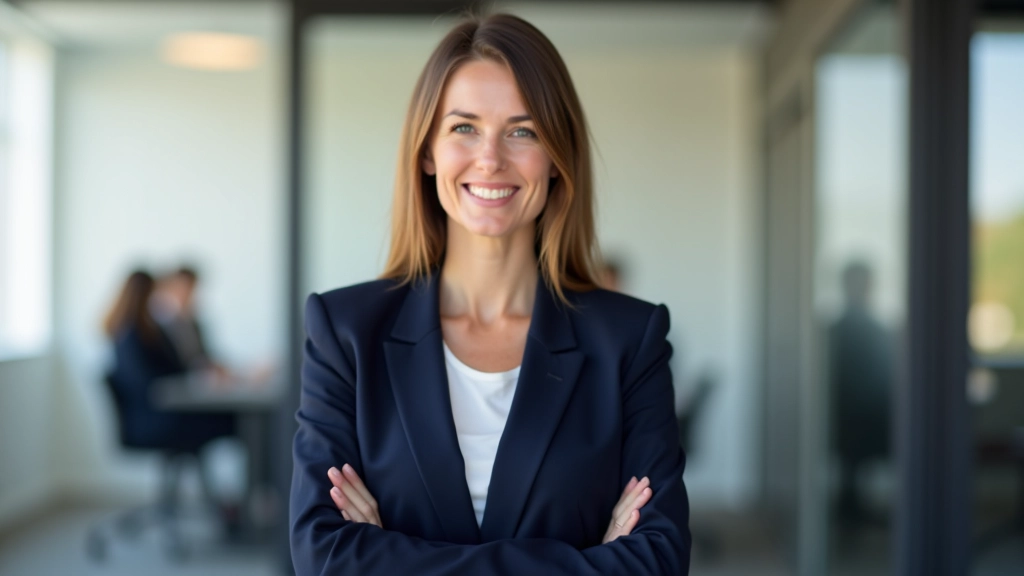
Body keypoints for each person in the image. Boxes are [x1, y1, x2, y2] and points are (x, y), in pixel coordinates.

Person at [290, 13, 690, 575]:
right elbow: (323, 554)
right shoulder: (345, 331)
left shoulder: (628, 340)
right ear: (427, 151)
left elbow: (658, 560)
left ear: (557, 158)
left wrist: (389, 556)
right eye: (464, 127)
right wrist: (587, 561)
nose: (491, 158)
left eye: (522, 131)